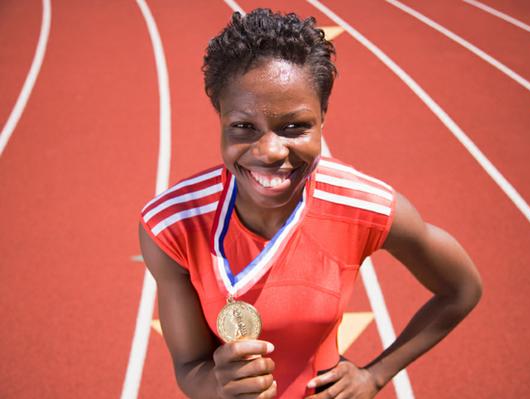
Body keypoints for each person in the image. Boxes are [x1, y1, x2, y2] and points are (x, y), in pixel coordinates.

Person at [139, 8, 482, 399]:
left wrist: (375, 376)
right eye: (243, 127)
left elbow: (462, 290)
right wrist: (218, 387)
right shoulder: (172, 225)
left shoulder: (364, 207)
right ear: (220, 117)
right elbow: (189, 366)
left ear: (323, 117)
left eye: (294, 126)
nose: (269, 151)